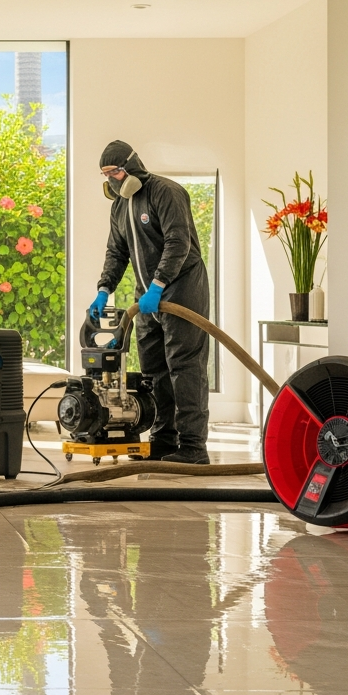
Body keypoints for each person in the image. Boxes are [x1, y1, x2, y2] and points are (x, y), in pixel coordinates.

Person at [90, 140, 211, 464]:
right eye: (106, 174)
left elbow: (178, 242)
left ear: (131, 166)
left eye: (115, 172)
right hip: (146, 297)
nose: (112, 180)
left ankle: (193, 447)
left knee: (185, 367)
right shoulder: (120, 207)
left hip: (182, 289)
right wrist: (104, 288)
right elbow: (117, 252)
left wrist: (159, 285)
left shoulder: (166, 192)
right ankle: (163, 441)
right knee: (154, 370)